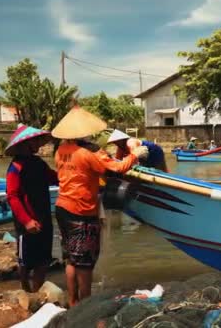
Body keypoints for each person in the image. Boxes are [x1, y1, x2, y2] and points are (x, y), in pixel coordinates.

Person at [52, 106, 148, 307]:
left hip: (62, 207)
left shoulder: (60, 150)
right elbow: (117, 168)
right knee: (85, 263)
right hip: (82, 210)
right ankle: (85, 306)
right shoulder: (89, 152)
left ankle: (73, 301)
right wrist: (135, 154)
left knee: (70, 258)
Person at [5, 124, 57, 293]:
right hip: (26, 220)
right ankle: (25, 288)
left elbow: (54, 178)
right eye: (35, 142)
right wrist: (26, 221)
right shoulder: (15, 167)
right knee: (25, 261)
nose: (38, 145)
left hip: (43, 217)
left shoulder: (38, 163)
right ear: (26, 144)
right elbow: (12, 196)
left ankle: (37, 291)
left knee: (43, 260)